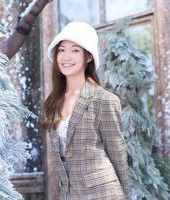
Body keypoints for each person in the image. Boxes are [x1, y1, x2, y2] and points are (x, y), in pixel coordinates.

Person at [42, 21, 132, 200]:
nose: (66, 57)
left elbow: (118, 153)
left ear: (88, 57)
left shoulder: (104, 100)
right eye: (62, 50)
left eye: (75, 50)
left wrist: (127, 196)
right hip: (70, 194)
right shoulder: (53, 101)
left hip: (104, 194)